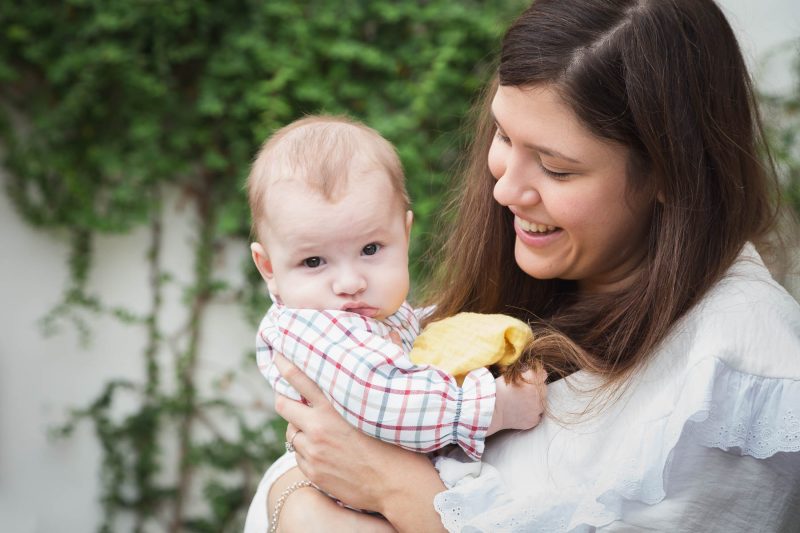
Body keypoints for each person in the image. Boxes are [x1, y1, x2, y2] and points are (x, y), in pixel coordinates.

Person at [245, 0, 800, 531]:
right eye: (504, 136)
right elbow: (313, 459)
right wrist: (299, 504)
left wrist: (392, 487)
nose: (505, 189)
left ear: (669, 172)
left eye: (556, 169)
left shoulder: (736, 377)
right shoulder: (502, 301)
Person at [245, 115, 545, 526]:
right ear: (268, 268)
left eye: (370, 249)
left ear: (404, 235)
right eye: (314, 261)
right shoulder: (312, 329)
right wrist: (493, 408)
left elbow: (411, 340)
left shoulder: (368, 313)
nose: (350, 283)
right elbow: (384, 396)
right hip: (348, 511)